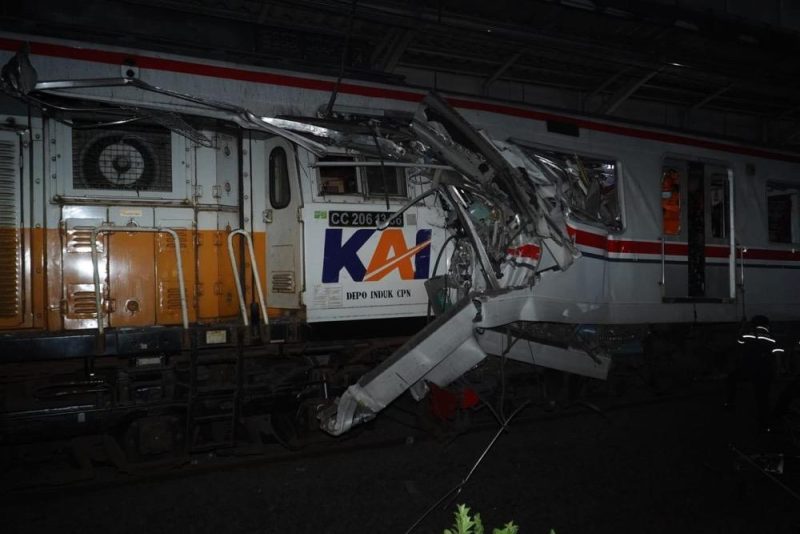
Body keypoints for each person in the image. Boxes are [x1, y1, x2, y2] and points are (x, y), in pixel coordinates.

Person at [726, 315, 784, 431]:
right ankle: (764, 425)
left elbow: (738, 341)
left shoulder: (748, 335)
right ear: (766, 325)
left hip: (748, 370)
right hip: (764, 372)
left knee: (732, 378)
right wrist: (778, 371)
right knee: (763, 398)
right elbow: (778, 357)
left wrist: (742, 326)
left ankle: (729, 403)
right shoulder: (773, 338)